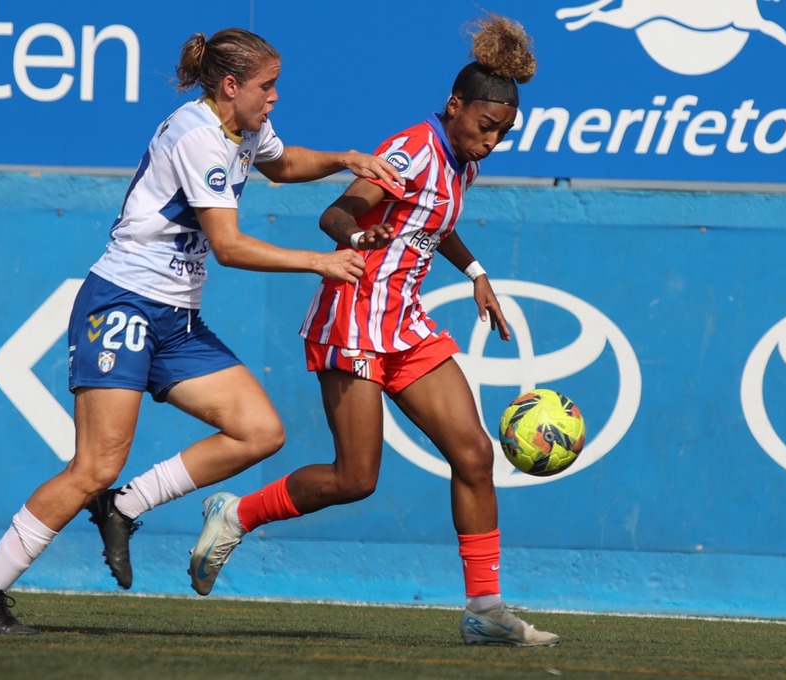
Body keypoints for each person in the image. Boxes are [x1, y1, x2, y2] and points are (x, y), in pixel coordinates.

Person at [0, 27, 402, 634]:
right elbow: (228, 245)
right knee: (93, 465)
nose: (274, 98)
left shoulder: (240, 127)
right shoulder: (198, 136)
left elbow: (285, 161)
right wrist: (319, 260)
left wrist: (344, 159)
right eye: (267, 87)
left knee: (259, 432)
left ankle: (125, 507)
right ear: (230, 85)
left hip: (174, 319)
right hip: (123, 305)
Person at [187, 15, 560, 647]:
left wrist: (475, 271)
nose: (491, 141)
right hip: (353, 319)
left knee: (473, 453)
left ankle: (484, 609)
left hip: (407, 324)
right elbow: (335, 213)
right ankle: (236, 514)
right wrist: (361, 235)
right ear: (454, 106)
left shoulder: (461, 160)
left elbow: (431, 222)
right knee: (356, 478)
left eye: (502, 132)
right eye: (484, 126)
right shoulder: (413, 146)